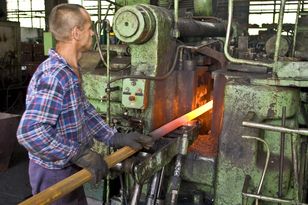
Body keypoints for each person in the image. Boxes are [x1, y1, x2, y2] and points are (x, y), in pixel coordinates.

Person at [17, 3, 154, 205]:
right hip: (53, 173)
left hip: (68, 166)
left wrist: (115, 138)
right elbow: (30, 132)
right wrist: (80, 154)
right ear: (76, 32)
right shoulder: (55, 75)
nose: (92, 33)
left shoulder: (71, 70)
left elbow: (83, 112)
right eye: (89, 28)